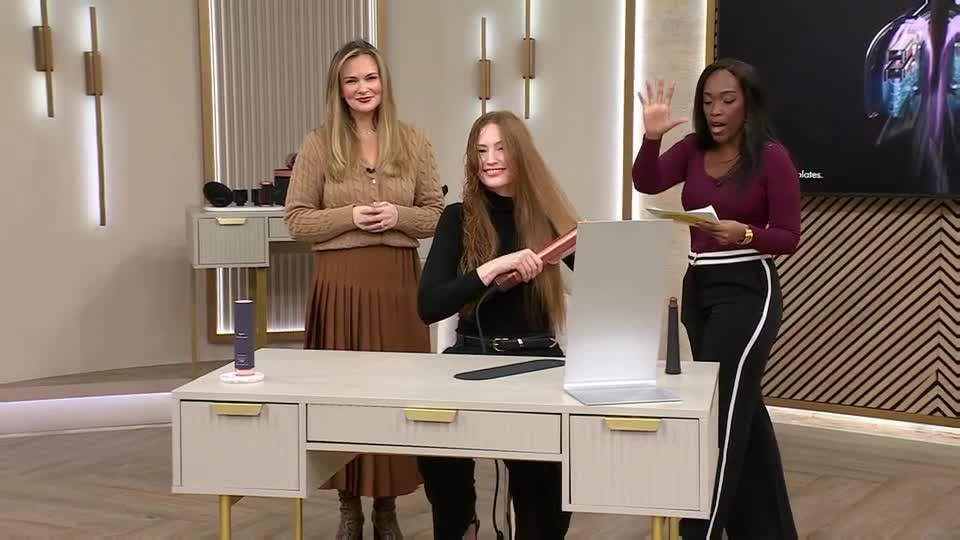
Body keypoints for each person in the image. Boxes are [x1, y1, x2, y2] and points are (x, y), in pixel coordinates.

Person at [632, 58, 801, 540]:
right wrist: (651, 137)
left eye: (727, 100)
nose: (716, 110)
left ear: (748, 103)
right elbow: (646, 181)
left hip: (749, 289)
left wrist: (745, 232)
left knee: (719, 416)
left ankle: (699, 531)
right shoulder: (690, 149)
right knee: (741, 409)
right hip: (700, 287)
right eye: (708, 101)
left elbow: (789, 236)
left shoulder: (772, 158)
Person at [284, 39, 444, 540]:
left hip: (397, 285)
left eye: (369, 78)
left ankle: (387, 507)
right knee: (342, 400)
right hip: (340, 286)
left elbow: (438, 218)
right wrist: (350, 216)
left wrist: (398, 217)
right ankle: (349, 507)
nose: (362, 88)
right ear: (339, 88)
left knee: (393, 397)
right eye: (351, 80)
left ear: (384, 82)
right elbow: (296, 221)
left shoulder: (414, 141)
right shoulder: (317, 144)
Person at [417, 110, 578, 539]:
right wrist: (491, 268)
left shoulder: (549, 217)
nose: (489, 158)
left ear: (520, 154)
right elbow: (429, 305)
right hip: (471, 355)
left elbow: (605, 284)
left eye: (500, 148)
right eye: (481, 150)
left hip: (540, 360)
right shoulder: (457, 218)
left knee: (546, 478)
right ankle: (463, 524)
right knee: (434, 443)